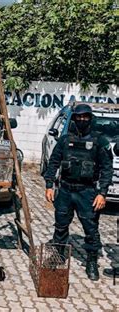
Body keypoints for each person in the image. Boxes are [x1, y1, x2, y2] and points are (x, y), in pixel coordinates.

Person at [44, 103, 113, 281]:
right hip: (65, 190)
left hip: (87, 192)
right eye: (79, 117)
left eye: (85, 117)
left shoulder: (100, 141)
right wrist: (49, 185)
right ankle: (58, 255)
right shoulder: (65, 139)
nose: (82, 120)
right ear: (74, 119)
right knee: (60, 226)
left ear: (90, 119)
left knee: (91, 229)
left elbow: (107, 169)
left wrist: (102, 193)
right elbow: (53, 162)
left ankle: (91, 262)